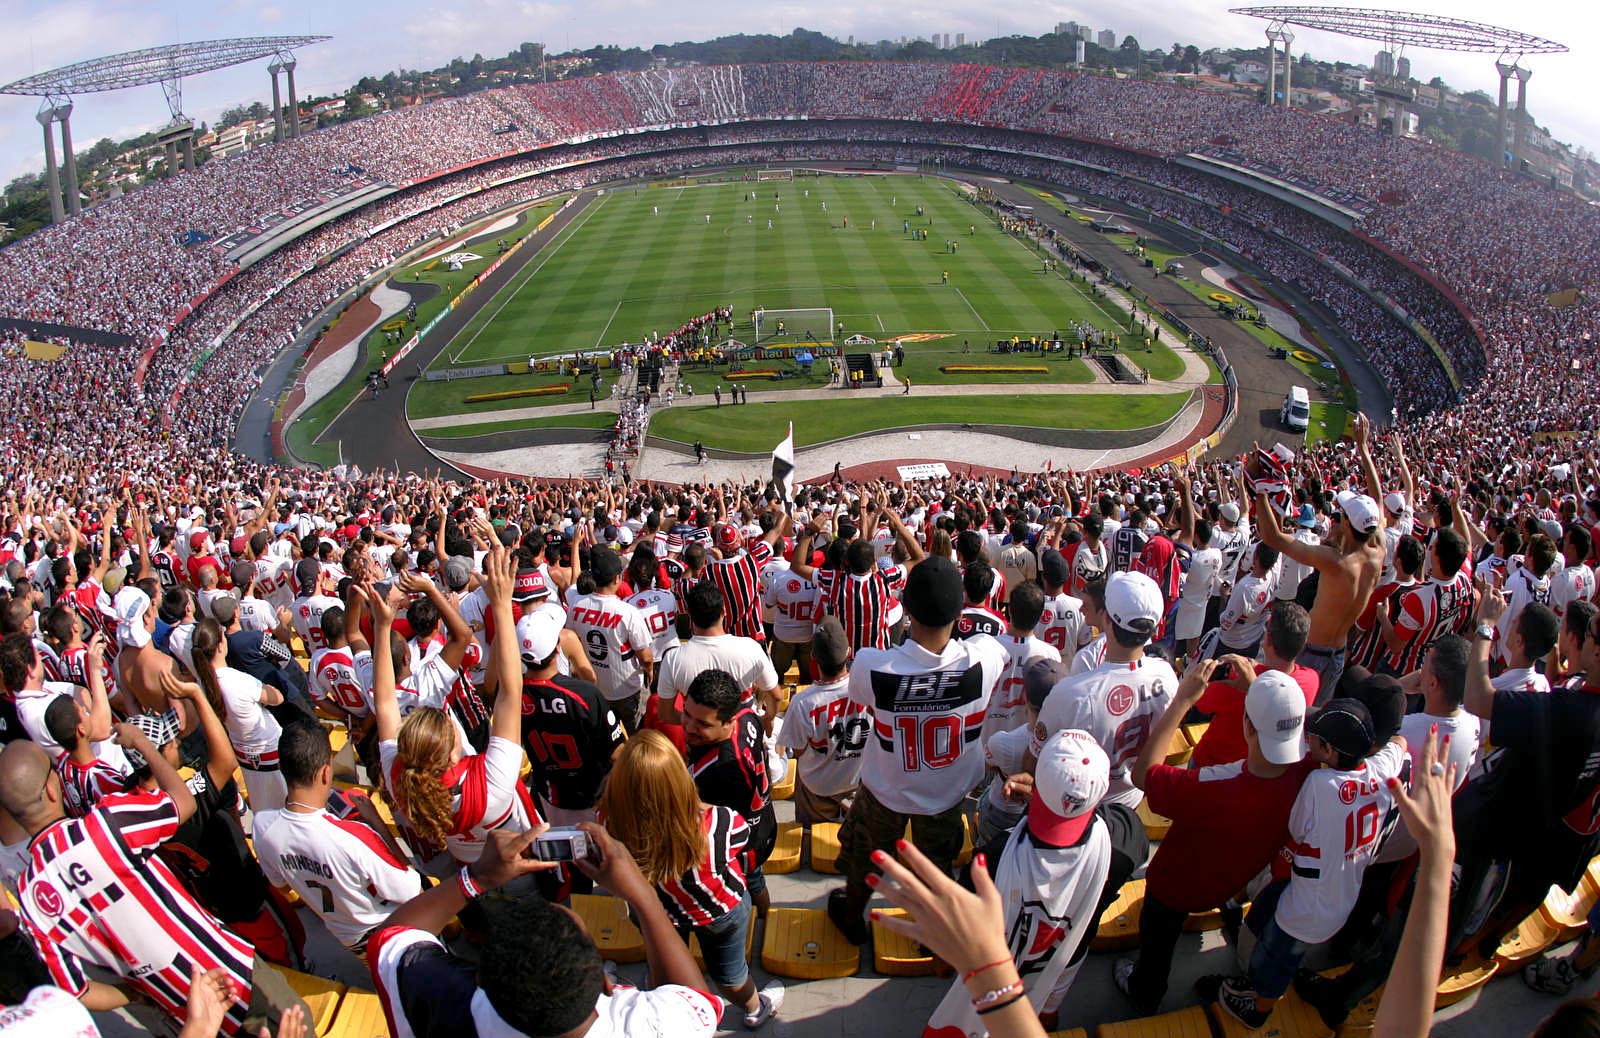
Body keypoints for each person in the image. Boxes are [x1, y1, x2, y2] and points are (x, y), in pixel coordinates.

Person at [0, 733, 311, 1035]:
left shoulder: (28, 899)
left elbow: (78, 992)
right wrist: (144, 744)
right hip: (228, 974)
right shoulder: (105, 825)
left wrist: (135, 995)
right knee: (297, 1022)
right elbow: (184, 803)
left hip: (180, 1010)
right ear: (52, 791)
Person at [369, 825, 727, 1038]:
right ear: (607, 984)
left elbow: (393, 937)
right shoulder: (659, 1026)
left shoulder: (456, 1008)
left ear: (482, 983)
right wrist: (644, 896)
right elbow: (696, 1000)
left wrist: (477, 877)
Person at [827, 556, 1005, 947]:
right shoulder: (985, 656)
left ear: (906, 608)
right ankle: (933, 934)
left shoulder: (873, 665)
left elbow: (863, 695)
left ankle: (854, 916)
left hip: (887, 788)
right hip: (948, 791)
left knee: (866, 857)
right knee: (937, 865)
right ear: (960, 612)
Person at [1116, 661, 1312, 1014]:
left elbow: (1143, 774)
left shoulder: (1215, 786)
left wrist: (1181, 702)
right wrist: (1258, 692)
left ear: (1248, 727)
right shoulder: (1309, 770)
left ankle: (1144, 990)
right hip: (1237, 878)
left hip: (1176, 885)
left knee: (1157, 945)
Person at [1208, 697, 1408, 1029]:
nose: (1307, 740)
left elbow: (1297, 830)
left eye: (1314, 737)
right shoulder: (1379, 769)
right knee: (1266, 925)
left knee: (1275, 963)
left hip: (1307, 907)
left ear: (1328, 750)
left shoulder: (1320, 785)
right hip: (1339, 888)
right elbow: (1398, 745)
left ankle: (1258, 1011)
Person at [925, 730, 1111, 1035]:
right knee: (1043, 1014)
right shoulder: (1121, 833)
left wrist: (944, 961)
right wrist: (1050, 796)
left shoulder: (994, 857)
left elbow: (960, 925)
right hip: (1059, 963)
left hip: (997, 975)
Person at [369, 543, 540, 865]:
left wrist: (381, 626)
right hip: (518, 866)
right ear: (452, 752)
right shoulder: (490, 779)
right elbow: (509, 693)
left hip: (467, 866)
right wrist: (502, 607)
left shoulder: (403, 784)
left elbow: (385, 703)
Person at [599, 731, 784, 1027]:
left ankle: (666, 990)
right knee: (730, 974)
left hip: (658, 914)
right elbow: (741, 841)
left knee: (666, 957)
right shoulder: (720, 821)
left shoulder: (611, 829)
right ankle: (753, 1008)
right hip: (720, 909)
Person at [254, 723, 423, 959]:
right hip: (392, 931)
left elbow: (281, 884)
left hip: (348, 938)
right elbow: (412, 888)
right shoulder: (353, 836)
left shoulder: (261, 826)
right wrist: (377, 824)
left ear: (283, 768)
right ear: (325, 772)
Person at [1253, 414, 1389, 699]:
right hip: (1337, 654)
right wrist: (1363, 450)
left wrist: (1260, 491)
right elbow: (1378, 503)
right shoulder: (1378, 552)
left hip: (1309, 654)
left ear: (1348, 526)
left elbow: (1273, 538)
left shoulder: (1336, 562)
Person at [517, 607, 626, 828]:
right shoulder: (583, 694)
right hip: (593, 796)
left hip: (551, 796)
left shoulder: (510, 694)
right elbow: (617, 752)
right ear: (558, 647)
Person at [682, 669, 776, 916]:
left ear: (728, 722)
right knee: (757, 881)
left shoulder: (722, 773)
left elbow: (716, 830)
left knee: (743, 890)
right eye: (687, 714)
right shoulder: (747, 716)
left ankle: (757, 927)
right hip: (762, 822)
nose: (689, 727)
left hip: (741, 846)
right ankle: (765, 921)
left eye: (703, 723)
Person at [1189, 603, 1317, 768]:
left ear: (1268, 639)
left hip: (1213, 764)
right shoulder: (1311, 680)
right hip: (1259, 768)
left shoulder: (1235, 678)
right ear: (1303, 643)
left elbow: (1201, 703)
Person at [188, 617, 288, 813]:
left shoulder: (203, 683)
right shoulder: (236, 680)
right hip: (269, 749)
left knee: (264, 806)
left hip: (244, 753)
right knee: (285, 802)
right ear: (219, 646)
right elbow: (277, 697)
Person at [775, 618, 864, 825]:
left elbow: (797, 751)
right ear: (849, 651)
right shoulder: (867, 690)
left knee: (813, 835)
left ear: (813, 657)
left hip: (817, 788)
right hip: (858, 784)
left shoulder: (802, 702)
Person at [656, 581, 779, 730]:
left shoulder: (672, 659)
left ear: (690, 615)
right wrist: (767, 719)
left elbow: (665, 713)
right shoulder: (750, 647)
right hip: (744, 734)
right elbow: (776, 696)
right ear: (723, 612)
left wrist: (698, 723)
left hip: (701, 741)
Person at [565, 546, 655, 732]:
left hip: (595, 687)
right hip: (627, 689)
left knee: (605, 735)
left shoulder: (576, 606)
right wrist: (650, 670)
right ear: (617, 578)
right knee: (635, 733)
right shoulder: (627, 612)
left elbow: (571, 642)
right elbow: (645, 657)